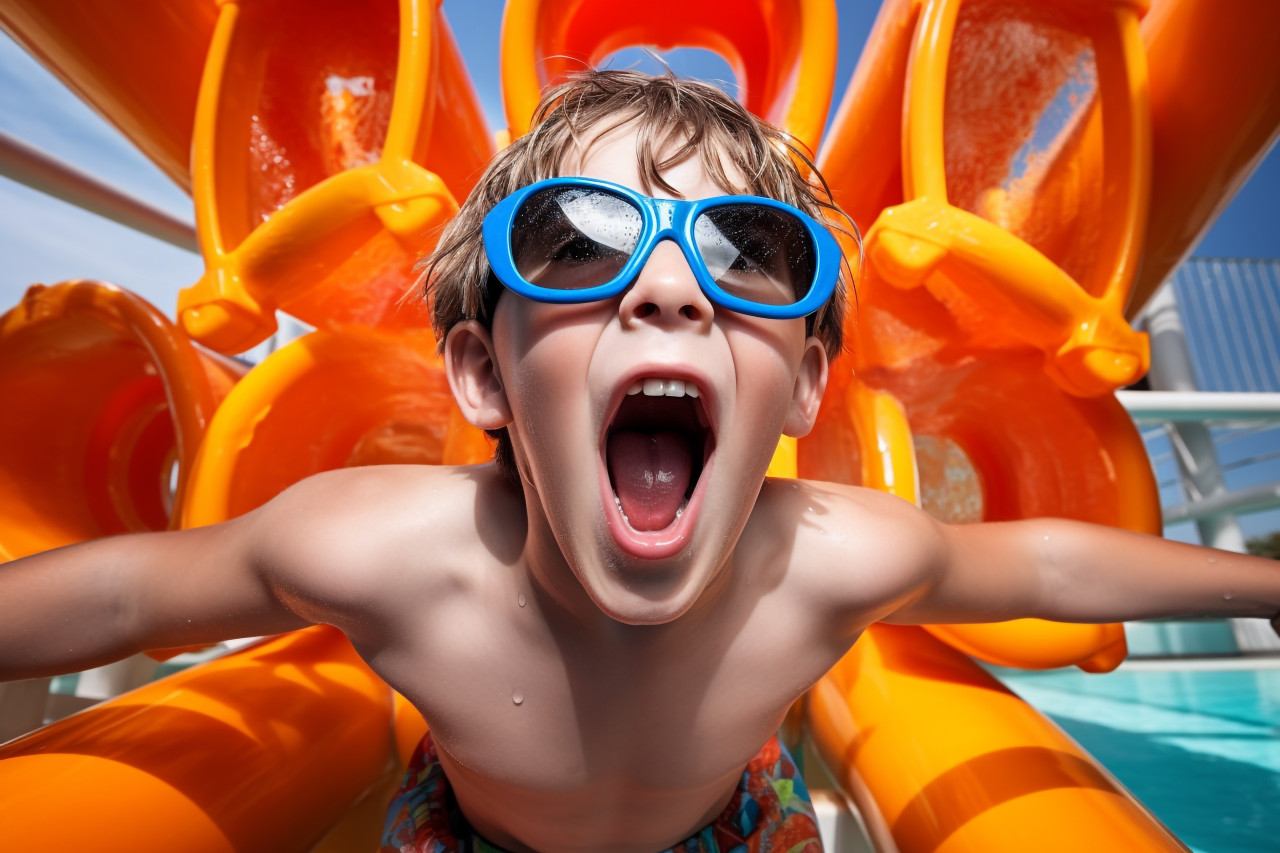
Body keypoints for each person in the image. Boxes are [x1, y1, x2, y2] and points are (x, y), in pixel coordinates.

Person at [2, 70, 1278, 853]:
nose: (668, 290)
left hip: (737, 830)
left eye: (747, 253)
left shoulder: (821, 560)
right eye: (570, 244)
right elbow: (125, 595)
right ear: (482, 375)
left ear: (804, 390)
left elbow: (1042, 562)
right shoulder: (381, 547)